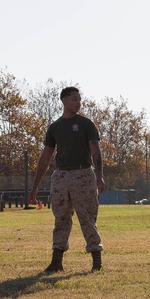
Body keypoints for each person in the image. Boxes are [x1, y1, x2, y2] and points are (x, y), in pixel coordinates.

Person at [29, 86, 105, 273]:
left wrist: (99, 176)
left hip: (83, 175)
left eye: (79, 99)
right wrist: (35, 188)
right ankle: (56, 262)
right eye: (74, 99)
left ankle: (96, 261)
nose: (78, 103)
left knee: (87, 217)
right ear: (63, 100)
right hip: (61, 176)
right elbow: (45, 159)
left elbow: (96, 152)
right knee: (61, 218)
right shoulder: (55, 128)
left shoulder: (87, 125)